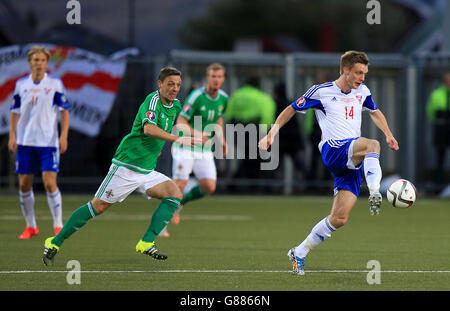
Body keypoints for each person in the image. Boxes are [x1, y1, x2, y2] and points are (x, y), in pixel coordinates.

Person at [42, 67, 201, 266]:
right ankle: (54, 242)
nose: (175, 88)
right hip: (127, 165)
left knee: (174, 193)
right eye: (170, 84)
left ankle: (146, 242)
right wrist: (178, 139)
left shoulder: (176, 105)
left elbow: (169, 126)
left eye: (178, 84)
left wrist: (193, 135)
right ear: (160, 84)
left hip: (146, 169)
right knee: (97, 207)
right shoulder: (152, 101)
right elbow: (149, 129)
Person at [258, 51, 399, 275]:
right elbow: (291, 108)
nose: (362, 78)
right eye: (358, 73)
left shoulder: (362, 91)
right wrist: (272, 133)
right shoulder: (321, 91)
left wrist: (389, 134)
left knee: (340, 218)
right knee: (373, 144)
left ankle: (299, 252)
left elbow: (374, 111)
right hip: (334, 149)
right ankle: (374, 191)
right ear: (345, 70)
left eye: (365, 73)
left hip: (352, 159)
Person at [8, 46, 70, 239]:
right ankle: (31, 226)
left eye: (43, 60)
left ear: (46, 63)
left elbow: (64, 111)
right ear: (30, 63)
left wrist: (64, 135)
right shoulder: (21, 85)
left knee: (49, 183)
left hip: (48, 142)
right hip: (26, 142)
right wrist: (12, 135)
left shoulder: (54, 84)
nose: (39, 63)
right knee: (24, 185)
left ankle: (58, 225)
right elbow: (14, 112)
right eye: (36, 60)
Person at [169, 63, 228, 230]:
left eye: (219, 77)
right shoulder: (196, 96)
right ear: (207, 78)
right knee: (179, 185)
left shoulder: (223, 98)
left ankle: (179, 204)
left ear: (223, 79)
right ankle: (161, 224)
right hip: (186, 146)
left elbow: (218, 118)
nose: (216, 80)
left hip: (204, 149)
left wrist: (221, 140)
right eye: (213, 76)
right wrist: (197, 135)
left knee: (209, 186)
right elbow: (180, 122)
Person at [225, 77, 276, 189]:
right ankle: (252, 185)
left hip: (237, 130)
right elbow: (267, 118)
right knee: (257, 159)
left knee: (249, 158)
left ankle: (237, 184)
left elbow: (228, 115)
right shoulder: (262, 98)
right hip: (256, 130)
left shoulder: (236, 95)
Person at [426, 71, 450, 188]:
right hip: (441, 128)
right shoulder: (437, 94)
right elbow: (431, 111)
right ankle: (439, 184)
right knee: (440, 156)